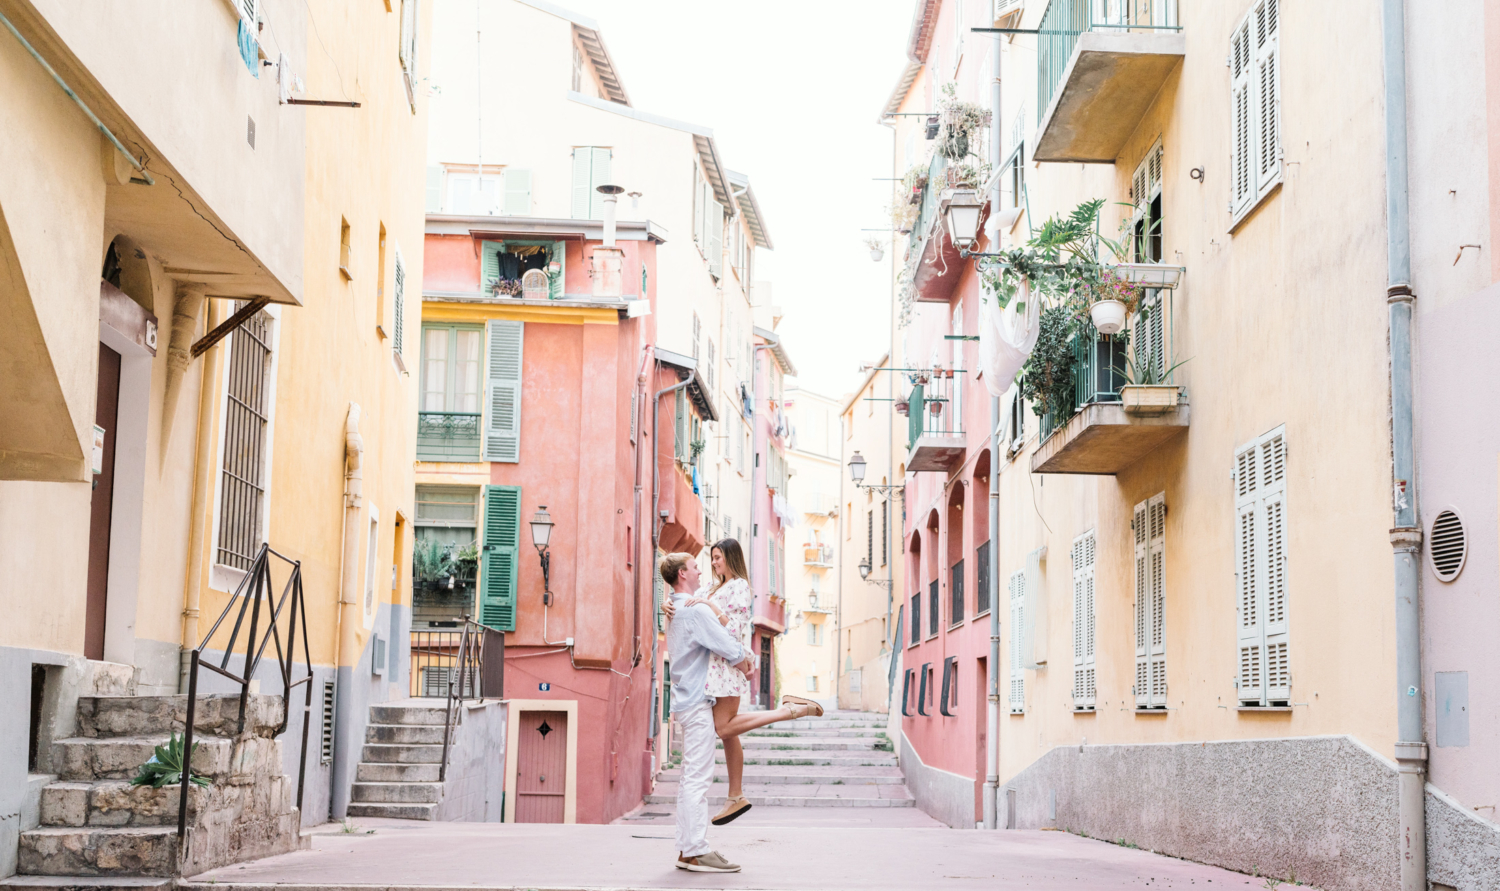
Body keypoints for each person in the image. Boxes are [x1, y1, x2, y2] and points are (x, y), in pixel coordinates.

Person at [662, 539, 824, 826]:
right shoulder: (713, 588)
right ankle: (735, 795)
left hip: (725, 665)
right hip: (715, 666)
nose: (713, 564)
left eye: (718, 558)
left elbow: (735, 629)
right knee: (727, 732)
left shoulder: (738, 587)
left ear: (731, 558)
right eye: (711, 558)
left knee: (724, 726)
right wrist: (669, 605)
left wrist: (711, 607)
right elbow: (690, 606)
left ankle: (789, 711)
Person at [660, 552, 753, 873]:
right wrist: (746, 658)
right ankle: (697, 849)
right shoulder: (696, 610)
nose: (702, 570)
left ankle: (688, 849)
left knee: (690, 777)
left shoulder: (677, 607)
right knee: (697, 779)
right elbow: (726, 644)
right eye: (696, 566)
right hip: (698, 702)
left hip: (687, 700)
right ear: (683, 573)